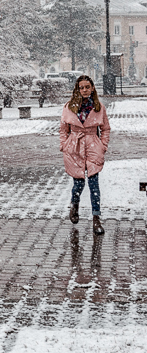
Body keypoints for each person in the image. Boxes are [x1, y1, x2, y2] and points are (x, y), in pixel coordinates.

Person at [59, 75, 111, 234]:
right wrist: (64, 145)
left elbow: (106, 129)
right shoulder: (69, 106)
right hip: (75, 147)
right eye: (81, 87)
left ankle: (96, 219)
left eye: (87, 87)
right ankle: (74, 205)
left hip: (93, 145)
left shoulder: (98, 107)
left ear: (92, 88)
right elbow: (63, 129)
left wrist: (103, 145)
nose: (84, 90)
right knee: (78, 184)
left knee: (94, 184)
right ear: (77, 89)